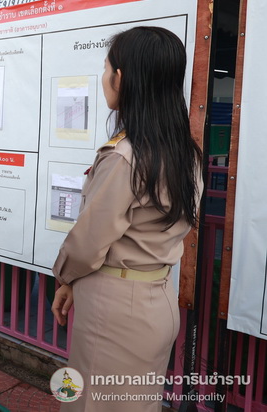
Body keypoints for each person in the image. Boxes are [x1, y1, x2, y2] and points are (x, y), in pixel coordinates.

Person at [51, 26, 203, 411]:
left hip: (115, 309)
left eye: (107, 68)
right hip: (158, 300)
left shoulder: (125, 156)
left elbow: (88, 243)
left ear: (121, 78)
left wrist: (64, 277)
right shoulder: (187, 154)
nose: (104, 77)